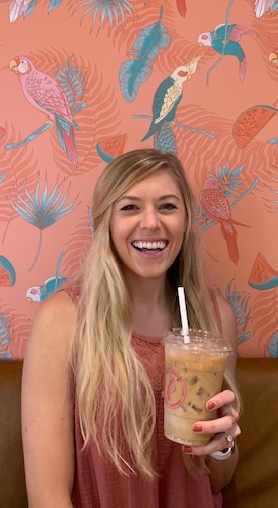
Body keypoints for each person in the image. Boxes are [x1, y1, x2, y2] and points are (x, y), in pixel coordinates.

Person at [21, 148, 241, 508]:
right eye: (130, 207)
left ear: (186, 220)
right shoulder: (63, 320)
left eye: (168, 206)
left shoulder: (216, 319)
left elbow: (216, 481)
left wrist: (222, 445)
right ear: (106, 222)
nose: (152, 222)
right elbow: (48, 498)